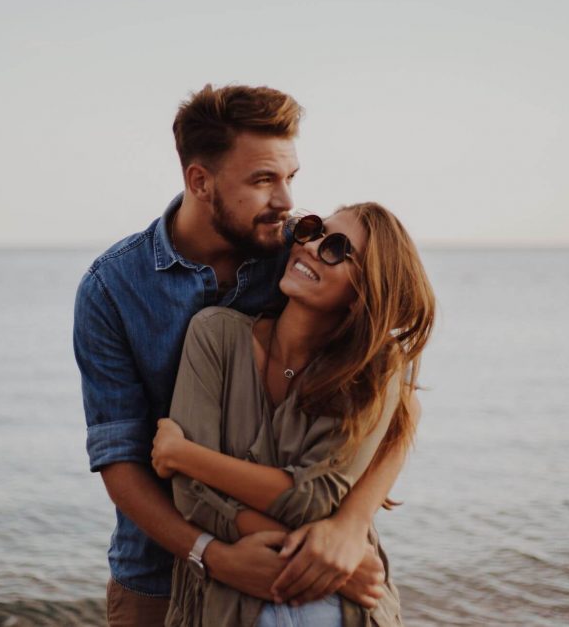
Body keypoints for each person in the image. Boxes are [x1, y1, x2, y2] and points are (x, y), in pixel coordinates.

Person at [74, 85, 413, 627]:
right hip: (160, 573)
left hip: (315, 571)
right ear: (200, 181)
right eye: (262, 180)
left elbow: (394, 401)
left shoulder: (299, 254)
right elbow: (121, 461)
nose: (286, 202)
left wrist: (347, 527)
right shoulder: (113, 288)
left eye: (290, 178)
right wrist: (214, 554)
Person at [152, 205, 435, 626]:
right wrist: (335, 564)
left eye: (337, 248)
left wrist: (184, 455)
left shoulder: (372, 373)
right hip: (235, 605)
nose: (310, 246)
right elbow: (190, 496)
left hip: (347, 611)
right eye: (313, 230)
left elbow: (314, 498)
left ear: (366, 290)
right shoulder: (214, 335)